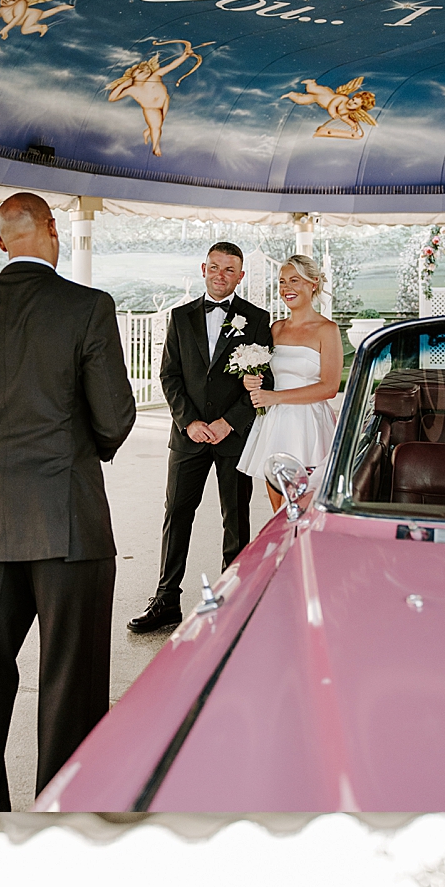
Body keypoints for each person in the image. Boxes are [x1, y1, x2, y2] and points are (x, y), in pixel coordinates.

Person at [0, 191, 136, 810]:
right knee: (71, 682)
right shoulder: (88, 307)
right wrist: (77, 443)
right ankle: (65, 818)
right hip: (68, 521)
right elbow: (115, 415)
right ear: (53, 231)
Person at [128, 241, 272, 635]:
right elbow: (170, 376)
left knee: (236, 518)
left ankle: (234, 601)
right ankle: (166, 600)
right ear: (203, 268)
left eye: (229, 269)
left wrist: (230, 422)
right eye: (214, 267)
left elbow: (264, 380)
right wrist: (189, 422)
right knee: (176, 516)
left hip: (232, 436)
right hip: (188, 436)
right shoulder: (180, 317)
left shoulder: (257, 319)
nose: (220, 275)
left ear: (240, 276)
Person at [238, 253, 344, 514]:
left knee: (306, 503)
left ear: (313, 283)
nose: (286, 288)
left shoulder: (327, 330)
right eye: (282, 282)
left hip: (308, 423)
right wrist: (250, 380)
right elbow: (270, 376)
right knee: (278, 504)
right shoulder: (276, 329)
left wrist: (275, 397)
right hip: (275, 422)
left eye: (294, 280)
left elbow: (329, 387)